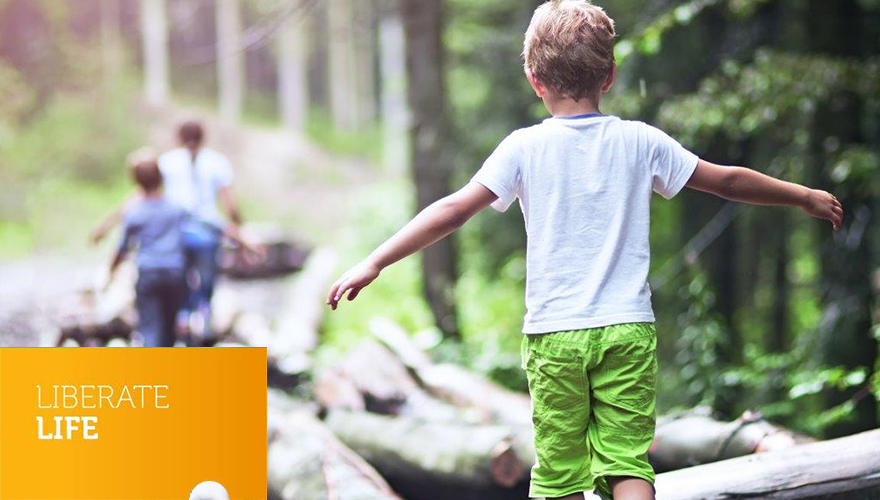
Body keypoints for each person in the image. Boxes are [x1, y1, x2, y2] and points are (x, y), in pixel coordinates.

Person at [325, 2, 844, 500]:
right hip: (626, 330)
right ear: (610, 75)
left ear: (535, 80)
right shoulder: (641, 141)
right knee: (627, 463)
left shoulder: (523, 148)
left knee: (561, 474)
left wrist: (375, 261)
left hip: (555, 335)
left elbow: (454, 210)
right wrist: (802, 196)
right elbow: (726, 181)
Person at [93, 120, 245, 345]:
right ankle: (199, 324)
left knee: (155, 318)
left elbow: (126, 237)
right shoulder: (214, 166)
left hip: (165, 253)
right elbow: (226, 208)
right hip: (195, 245)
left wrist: (106, 231)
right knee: (201, 287)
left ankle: (177, 330)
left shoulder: (164, 167)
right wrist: (241, 234)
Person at [109, 151, 187, 347]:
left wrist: (111, 272)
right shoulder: (175, 208)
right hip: (174, 273)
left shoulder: (135, 212)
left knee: (150, 327)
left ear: (136, 182)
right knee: (169, 329)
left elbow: (123, 248)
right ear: (161, 178)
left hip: (149, 273)